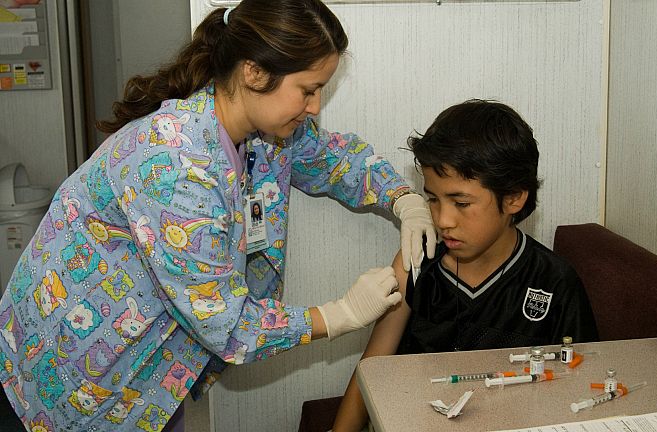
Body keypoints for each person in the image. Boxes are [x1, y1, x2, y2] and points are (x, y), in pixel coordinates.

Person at [0, 1, 438, 431]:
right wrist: (338, 314)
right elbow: (223, 321)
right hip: (66, 373)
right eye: (308, 89)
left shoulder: (261, 134)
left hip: (144, 376)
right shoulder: (177, 166)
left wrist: (405, 199)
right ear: (254, 72)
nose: (315, 107)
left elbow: (333, 159)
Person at [332, 100, 599, 431]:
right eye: (432, 198)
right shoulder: (416, 262)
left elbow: (577, 383)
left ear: (515, 197)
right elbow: (372, 369)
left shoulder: (554, 282)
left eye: (461, 203)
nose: (443, 220)